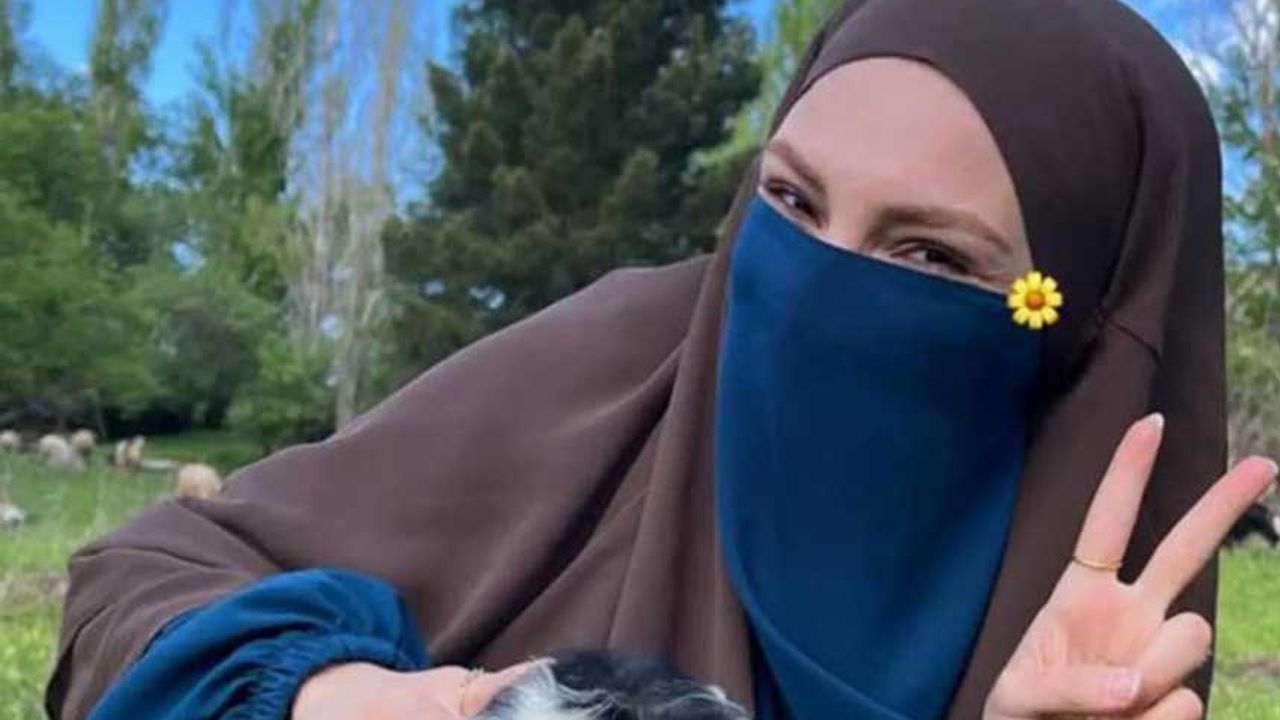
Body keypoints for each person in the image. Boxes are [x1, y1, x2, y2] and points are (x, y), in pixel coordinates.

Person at [45, 0, 1277, 718]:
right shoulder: (643, 352)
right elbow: (143, 575)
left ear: (1077, 334)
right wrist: (331, 695)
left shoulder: (1090, 633)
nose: (814, 288)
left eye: (931, 256)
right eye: (788, 202)